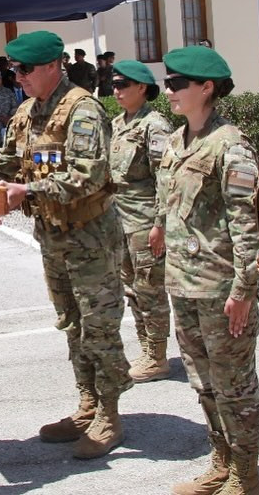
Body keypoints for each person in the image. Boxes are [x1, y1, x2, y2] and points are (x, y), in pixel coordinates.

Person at [0, 30, 132, 459]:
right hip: (53, 239)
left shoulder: (82, 111)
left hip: (90, 240)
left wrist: (28, 193)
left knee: (99, 327)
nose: (17, 76)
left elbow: (88, 175)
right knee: (72, 324)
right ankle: (87, 404)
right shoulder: (27, 112)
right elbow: (7, 160)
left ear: (53, 66)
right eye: (14, 69)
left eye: (25, 69)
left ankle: (110, 414)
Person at [157, 46, 259, 495]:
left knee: (234, 385)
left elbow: (247, 225)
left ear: (206, 88)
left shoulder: (230, 145)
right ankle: (221, 460)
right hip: (182, 284)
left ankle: (246, 474)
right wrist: (160, 228)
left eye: (178, 83)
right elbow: (169, 202)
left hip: (221, 290)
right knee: (203, 382)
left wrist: (244, 289)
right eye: (168, 82)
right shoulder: (176, 140)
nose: (169, 90)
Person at [107, 60, 174, 383]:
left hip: (146, 221)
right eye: (115, 85)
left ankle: (158, 355)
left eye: (123, 85)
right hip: (121, 220)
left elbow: (166, 177)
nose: (116, 90)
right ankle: (146, 346)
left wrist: (160, 224)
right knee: (132, 289)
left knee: (151, 289)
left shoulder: (155, 126)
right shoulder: (118, 124)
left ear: (142, 89)